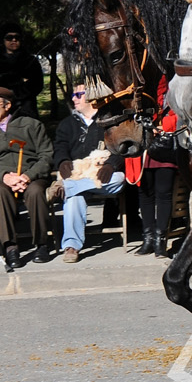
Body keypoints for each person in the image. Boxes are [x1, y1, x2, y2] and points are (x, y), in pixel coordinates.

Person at [0, 86, 53, 266]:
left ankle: (41, 244)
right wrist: (4, 177)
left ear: (7, 106)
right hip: (1, 180)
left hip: (31, 176)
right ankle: (10, 247)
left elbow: (46, 155)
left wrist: (28, 176)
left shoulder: (31, 125)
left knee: (35, 192)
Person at [50, 86, 126, 263]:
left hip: (100, 178)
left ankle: (65, 188)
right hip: (77, 173)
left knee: (120, 178)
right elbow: (59, 147)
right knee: (74, 198)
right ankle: (71, 246)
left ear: (92, 98)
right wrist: (62, 161)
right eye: (73, 95)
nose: (74, 98)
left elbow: (121, 148)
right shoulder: (67, 124)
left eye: (78, 95)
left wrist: (111, 164)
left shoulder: (110, 122)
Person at [131, 74, 178, 257]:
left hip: (164, 144)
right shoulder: (141, 82)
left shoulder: (171, 79)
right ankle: (148, 239)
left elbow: (176, 111)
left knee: (163, 194)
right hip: (144, 146)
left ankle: (160, 241)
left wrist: (164, 125)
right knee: (145, 193)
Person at [0, 22, 44, 118]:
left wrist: (19, 93)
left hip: (26, 105)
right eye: (9, 37)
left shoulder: (30, 60)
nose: (14, 40)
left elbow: (37, 84)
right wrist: (16, 80)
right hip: (2, 105)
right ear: (3, 39)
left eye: (17, 37)